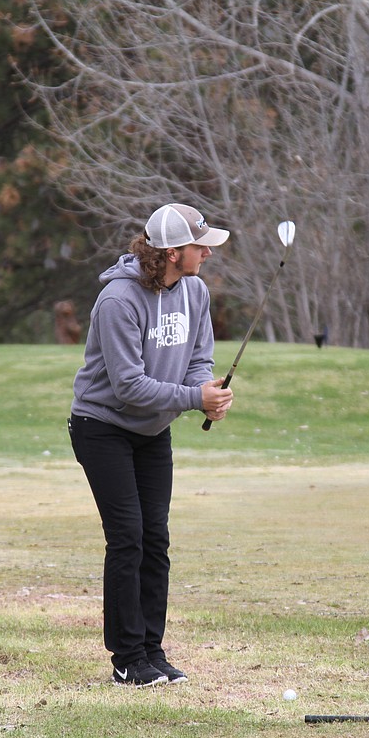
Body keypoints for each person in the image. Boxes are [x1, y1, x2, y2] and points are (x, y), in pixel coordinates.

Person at [69, 203, 234, 687]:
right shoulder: (118, 301)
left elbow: (199, 359)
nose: (206, 252)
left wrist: (206, 395)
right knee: (128, 538)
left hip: (150, 432)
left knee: (155, 540)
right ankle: (126, 658)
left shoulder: (195, 291)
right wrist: (192, 398)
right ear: (169, 252)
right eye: (198, 246)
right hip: (102, 427)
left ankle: (151, 650)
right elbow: (127, 387)